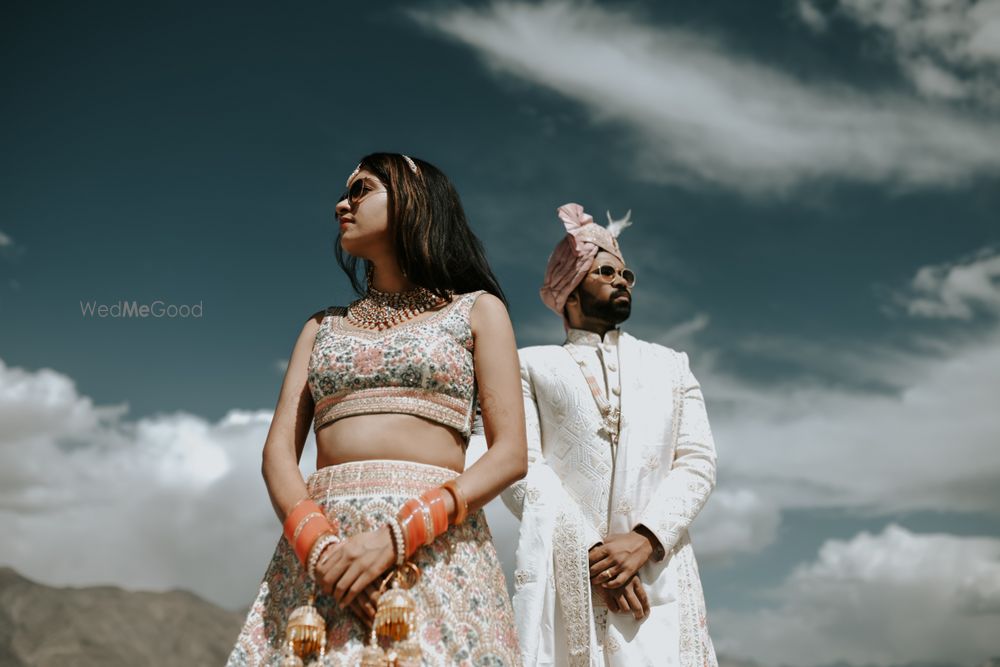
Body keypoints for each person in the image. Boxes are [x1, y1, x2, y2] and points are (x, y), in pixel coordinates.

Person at [227, 153, 526, 666]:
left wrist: (395, 538)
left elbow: (510, 455)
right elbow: (277, 454)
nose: (342, 204)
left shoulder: (476, 312)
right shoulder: (320, 327)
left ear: (414, 201)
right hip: (321, 558)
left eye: (361, 189)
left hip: (433, 553)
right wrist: (322, 552)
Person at [501, 203, 718, 667]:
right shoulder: (529, 366)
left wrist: (645, 539)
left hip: (659, 575)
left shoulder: (671, 365)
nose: (622, 280)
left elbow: (698, 462)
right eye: (606, 270)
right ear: (570, 288)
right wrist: (593, 555)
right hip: (571, 574)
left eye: (627, 274)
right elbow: (520, 467)